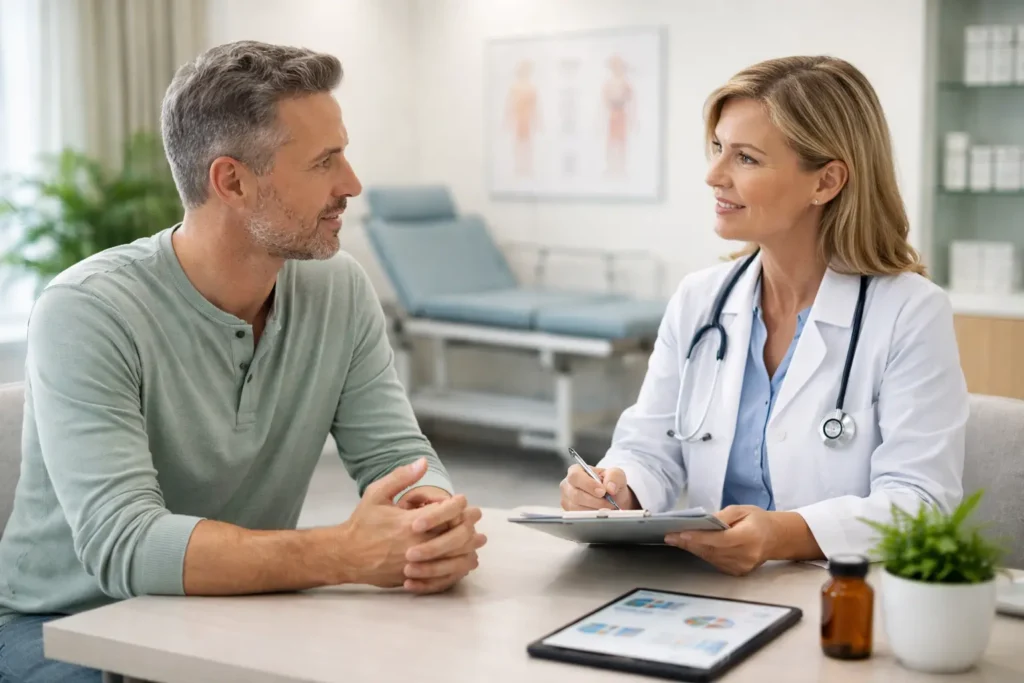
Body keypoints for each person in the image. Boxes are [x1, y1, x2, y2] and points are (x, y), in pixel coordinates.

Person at [0, 41, 486, 683]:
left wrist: (428, 520)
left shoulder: (339, 288)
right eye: (324, 161)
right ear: (231, 181)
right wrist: (341, 553)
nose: (352, 184)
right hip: (67, 627)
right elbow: (125, 544)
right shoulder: (87, 311)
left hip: (235, 612)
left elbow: (397, 455)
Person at [560, 55, 967, 576]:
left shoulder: (909, 312)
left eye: (746, 158)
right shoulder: (700, 300)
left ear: (826, 182)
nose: (713, 176)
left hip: (836, 593)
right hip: (707, 589)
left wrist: (782, 534)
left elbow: (921, 503)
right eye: (717, 149)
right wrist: (617, 487)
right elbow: (650, 448)